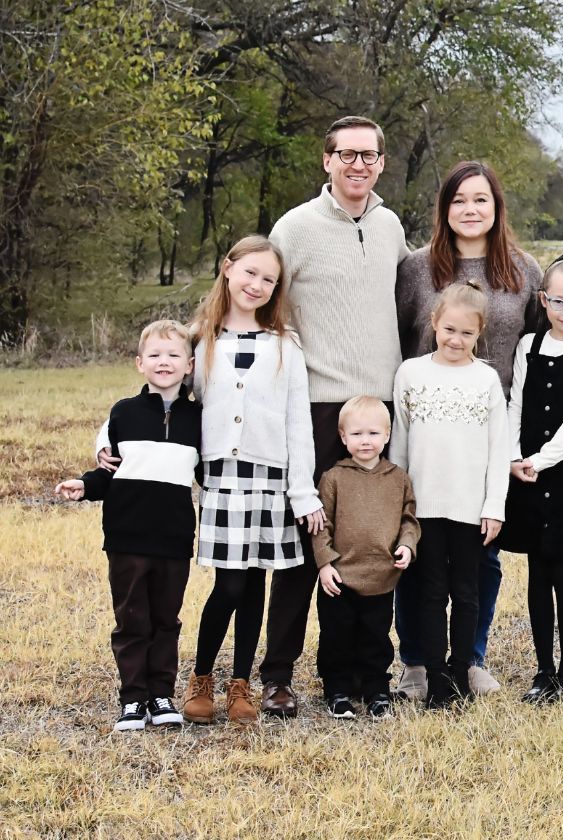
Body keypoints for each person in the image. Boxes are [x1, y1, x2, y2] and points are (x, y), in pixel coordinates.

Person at [261, 115, 410, 717]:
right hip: (320, 407)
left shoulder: (391, 223)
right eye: (346, 154)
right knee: (307, 546)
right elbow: (263, 300)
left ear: (380, 163)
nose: (358, 165)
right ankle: (277, 675)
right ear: (326, 160)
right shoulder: (294, 228)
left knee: (373, 543)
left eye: (369, 155)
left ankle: (364, 670)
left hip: (380, 408)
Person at [395, 160, 542, 699]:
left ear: (496, 207)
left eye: (481, 199)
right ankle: (415, 660)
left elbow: (537, 352)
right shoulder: (416, 269)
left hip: (486, 429)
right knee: (416, 551)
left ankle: (471, 657)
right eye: (459, 200)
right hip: (428, 429)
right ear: (445, 208)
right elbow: (400, 342)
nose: (471, 210)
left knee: (481, 556)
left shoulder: (523, 271)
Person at [181, 236, 324, 724]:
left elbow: (298, 424)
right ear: (228, 268)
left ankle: (241, 683)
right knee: (229, 586)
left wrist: (302, 491)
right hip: (223, 480)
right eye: (250, 273)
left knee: (257, 584)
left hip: (271, 481)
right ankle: (201, 676)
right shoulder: (200, 340)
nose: (257, 285)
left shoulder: (285, 345)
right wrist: (106, 438)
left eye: (269, 279)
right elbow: (160, 396)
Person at [55, 320, 201, 731]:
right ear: (140, 363)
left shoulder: (198, 419)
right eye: (154, 355)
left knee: (166, 619)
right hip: (127, 538)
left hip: (173, 539)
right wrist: (84, 484)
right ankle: (133, 699)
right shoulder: (124, 413)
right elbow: (110, 471)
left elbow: (209, 474)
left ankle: (161, 695)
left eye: (173, 355)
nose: (164, 362)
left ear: (189, 365)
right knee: (132, 618)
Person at [390, 283, 511, 707]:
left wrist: (494, 506)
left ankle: (462, 671)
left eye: (466, 333)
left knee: (467, 593)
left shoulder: (486, 380)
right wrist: (400, 509)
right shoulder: (411, 374)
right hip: (424, 508)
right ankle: (434, 676)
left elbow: (500, 452)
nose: (456, 340)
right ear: (434, 324)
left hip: (469, 509)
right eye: (449, 330)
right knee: (430, 592)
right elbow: (399, 448)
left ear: (480, 335)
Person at [500, 252, 563, 704]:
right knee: (537, 572)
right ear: (543, 300)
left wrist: (542, 459)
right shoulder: (529, 345)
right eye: (558, 301)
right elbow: (516, 404)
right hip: (524, 472)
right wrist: (512, 456)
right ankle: (543, 669)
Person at [309, 395, 420, 719]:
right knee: (336, 636)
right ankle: (338, 690)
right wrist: (325, 563)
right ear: (343, 437)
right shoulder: (334, 477)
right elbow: (321, 525)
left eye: (373, 433)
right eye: (356, 434)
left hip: (381, 577)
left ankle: (376, 690)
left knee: (376, 638)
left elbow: (409, 519)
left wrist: (407, 545)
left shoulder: (397, 478)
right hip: (339, 578)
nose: (365, 441)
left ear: (387, 435)